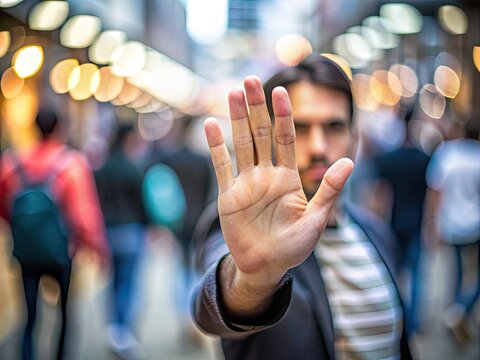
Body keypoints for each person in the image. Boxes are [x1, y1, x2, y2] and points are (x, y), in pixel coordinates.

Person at [191, 55, 412, 359]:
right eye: (299, 128)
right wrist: (254, 280)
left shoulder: (377, 233)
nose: (319, 147)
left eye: (334, 127)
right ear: (265, 138)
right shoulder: (245, 230)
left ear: (354, 140)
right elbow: (212, 307)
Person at [0, 107, 108, 360]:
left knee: (28, 315)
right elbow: (84, 214)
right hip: (62, 251)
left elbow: (4, 207)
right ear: (59, 128)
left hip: (25, 251)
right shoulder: (71, 164)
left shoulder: (10, 163)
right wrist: (97, 246)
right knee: (66, 314)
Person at [370, 111, 430, 336]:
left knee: (394, 273)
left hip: (394, 223)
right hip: (416, 223)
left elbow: (380, 194)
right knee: (416, 275)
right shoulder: (423, 158)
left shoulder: (391, 159)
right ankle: (414, 322)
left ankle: (400, 316)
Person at [94, 123, 148, 358]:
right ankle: (123, 332)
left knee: (113, 282)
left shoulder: (102, 168)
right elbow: (143, 202)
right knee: (128, 283)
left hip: (108, 231)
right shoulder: (133, 168)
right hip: (131, 231)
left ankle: (114, 328)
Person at [425, 120, 480, 344]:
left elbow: (435, 191)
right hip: (475, 224)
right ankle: (461, 310)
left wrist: (432, 222)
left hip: (452, 224)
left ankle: (455, 312)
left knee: (455, 273)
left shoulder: (447, 153)